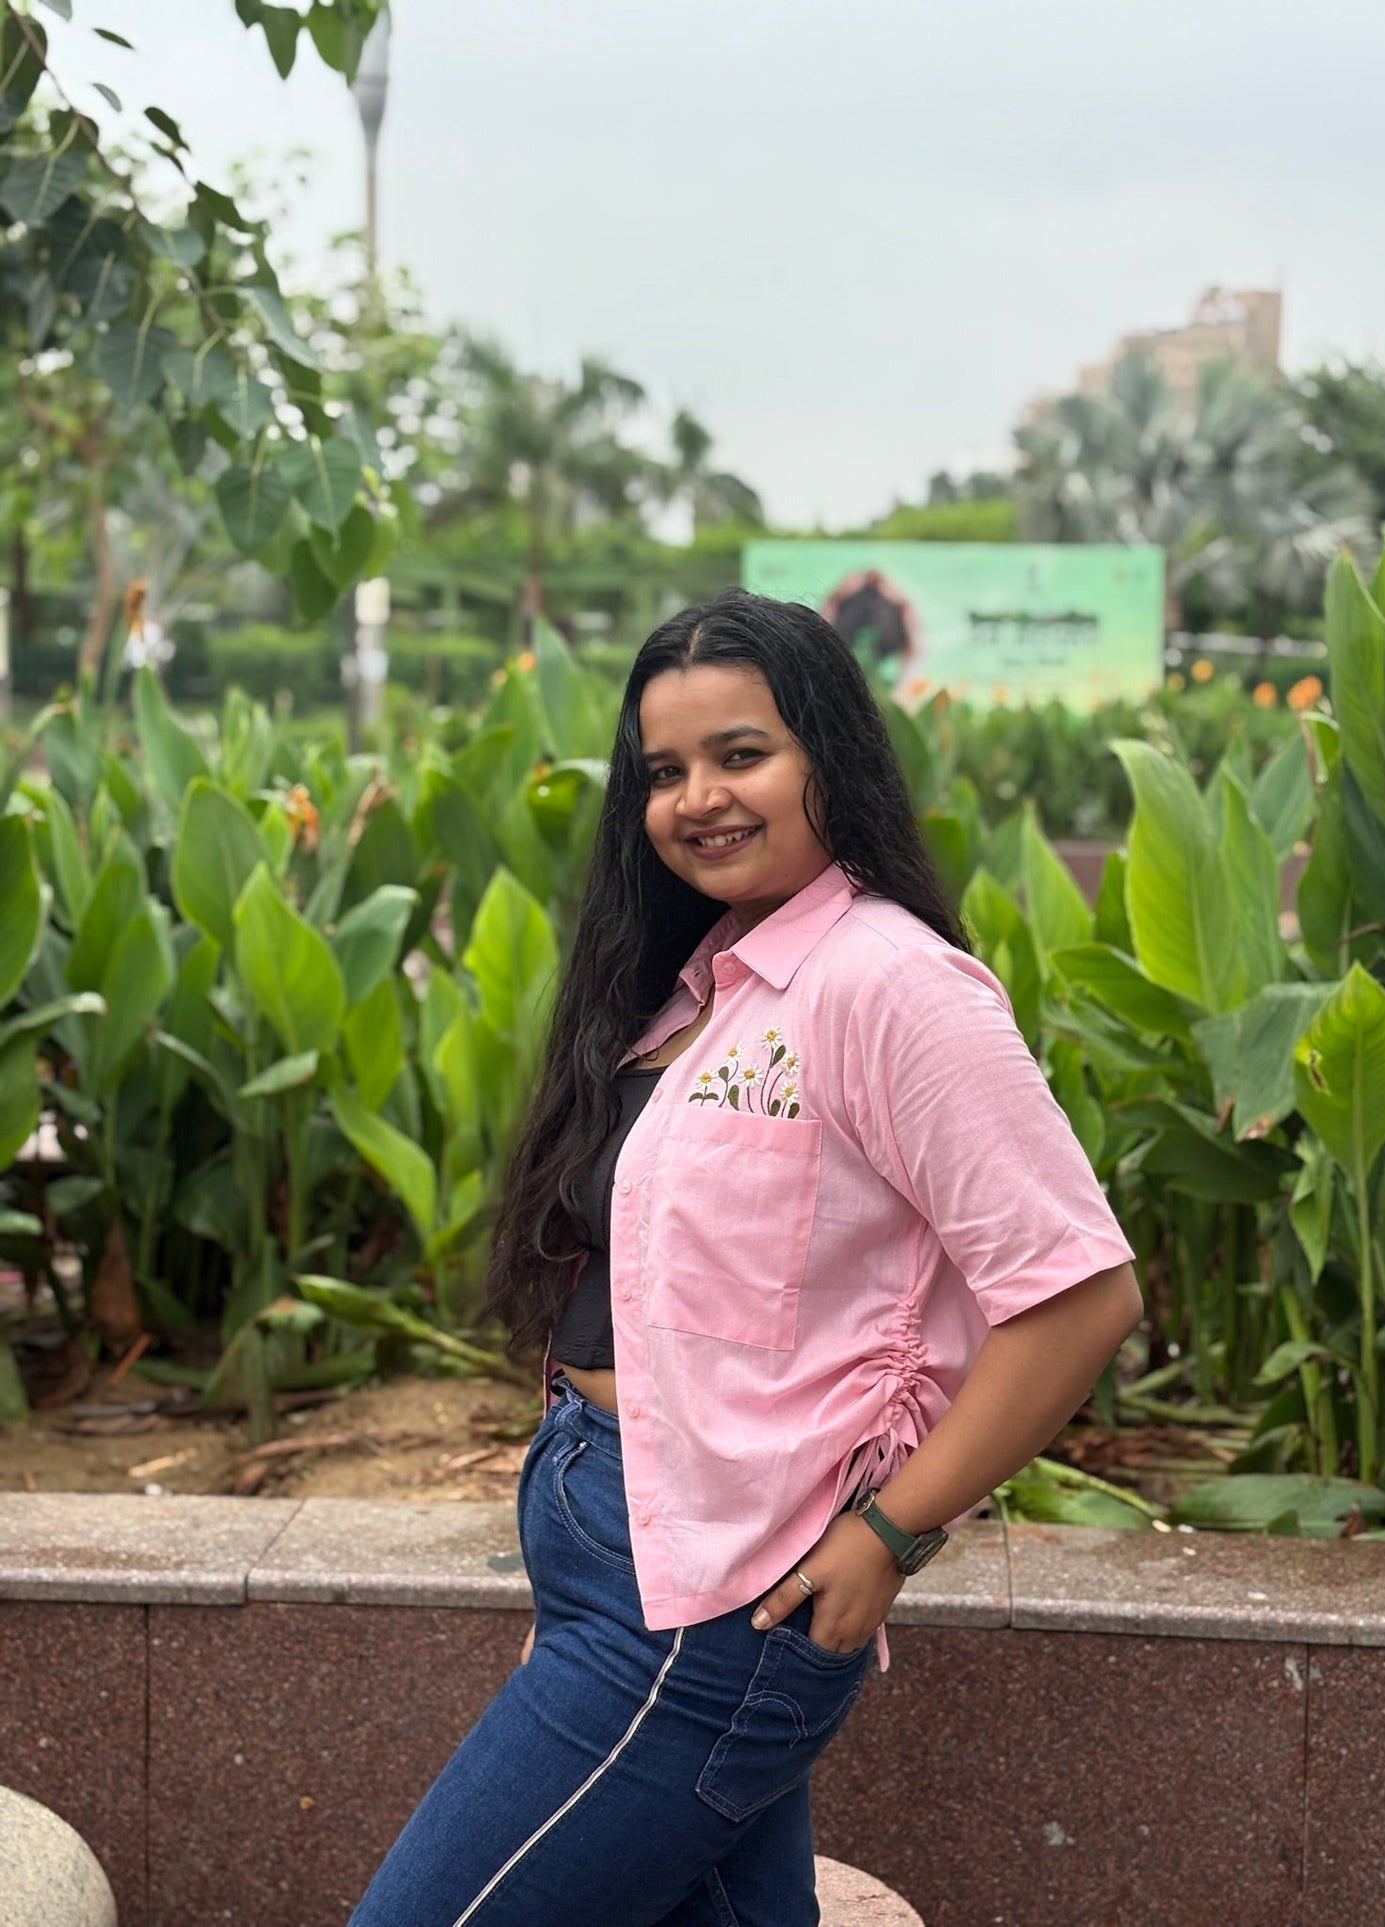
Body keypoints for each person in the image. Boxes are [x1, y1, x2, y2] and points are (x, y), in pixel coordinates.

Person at [348, 590, 1141, 1927]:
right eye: (663, 772)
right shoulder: (703, 977)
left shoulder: (891, 985)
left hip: (715, 1614)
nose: (697, 798)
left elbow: (1076, 1296)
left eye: (739, 754)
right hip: (630, 1554)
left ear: (826, 754)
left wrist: (891, 1530)